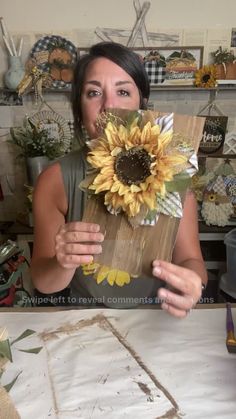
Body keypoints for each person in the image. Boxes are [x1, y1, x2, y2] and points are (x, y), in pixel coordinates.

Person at [30, 42, 208, 317]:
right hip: (84, 321)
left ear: (142, 103)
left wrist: (192, 284)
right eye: (93, 93)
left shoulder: (172, 169)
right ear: (79, 108)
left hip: (155, 318)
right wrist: (63, 263)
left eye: (123, 91)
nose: (109, 106)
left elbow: (191, 260)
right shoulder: (54, 181)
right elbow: (43, 282)